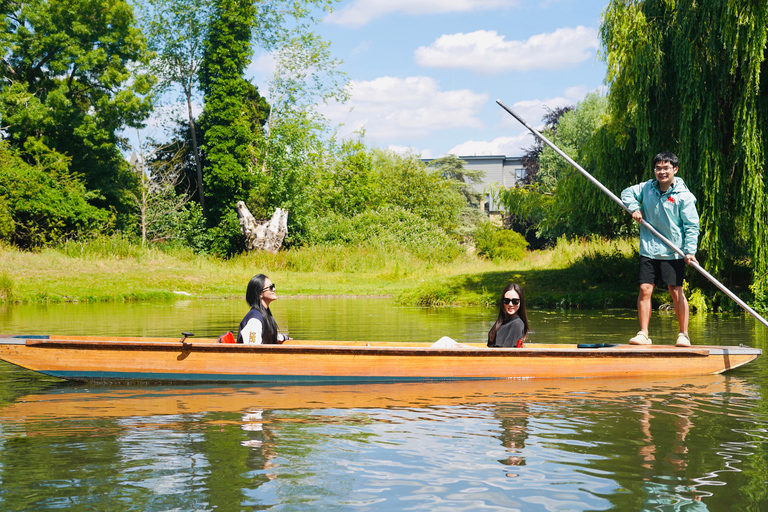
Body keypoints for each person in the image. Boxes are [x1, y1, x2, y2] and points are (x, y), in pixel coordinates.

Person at [620, 151, 700, 347]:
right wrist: (634, 208)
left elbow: (691, 225)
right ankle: (643, 334)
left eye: (666, 168)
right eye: (658, 168)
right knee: (645, 289)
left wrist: (690, 251)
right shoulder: (647, 187)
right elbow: (626, 193)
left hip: (674, 250)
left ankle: (683, 334)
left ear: (675, 170)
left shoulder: (684, 196)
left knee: (675, 290)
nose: (662, 172)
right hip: (649, 248)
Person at [238, 274, 290, 344]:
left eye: (273, 286)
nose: (274, 289)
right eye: (271, 287)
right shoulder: (255, 319)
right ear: (260, 293)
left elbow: (267, 334)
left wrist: (283, 337)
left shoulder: (264, 313)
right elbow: (253, 347)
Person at [487, 283, 529, 348]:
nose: (510, 304)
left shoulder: (517, 324)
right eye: (506, 300)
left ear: (521, 302)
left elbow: (507, 352)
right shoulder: (502, 322)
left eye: (515, 301)